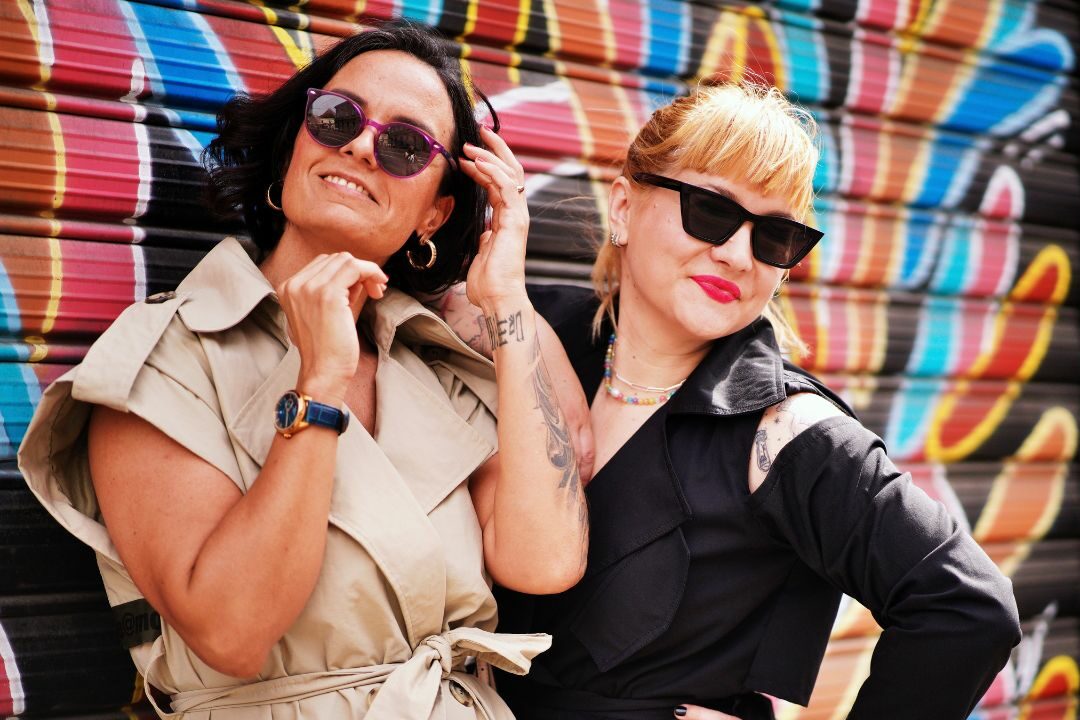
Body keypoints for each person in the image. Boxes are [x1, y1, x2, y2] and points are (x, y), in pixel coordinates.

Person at [18, 20, 590, 719]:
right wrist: (318, 387)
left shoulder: (435, 364)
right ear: (295, 143)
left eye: (406, 145)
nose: (361, 145)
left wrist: (505, 301)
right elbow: (231, 632)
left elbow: (545, 562)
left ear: (434, 216)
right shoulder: (165, 356)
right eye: (337, 117)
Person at [487, 81, 1022, 720]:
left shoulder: (788, 431)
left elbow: (968, 607)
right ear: (624, 207)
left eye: (775, 236)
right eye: (711, 210)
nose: (739, 255)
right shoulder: (527, 334)